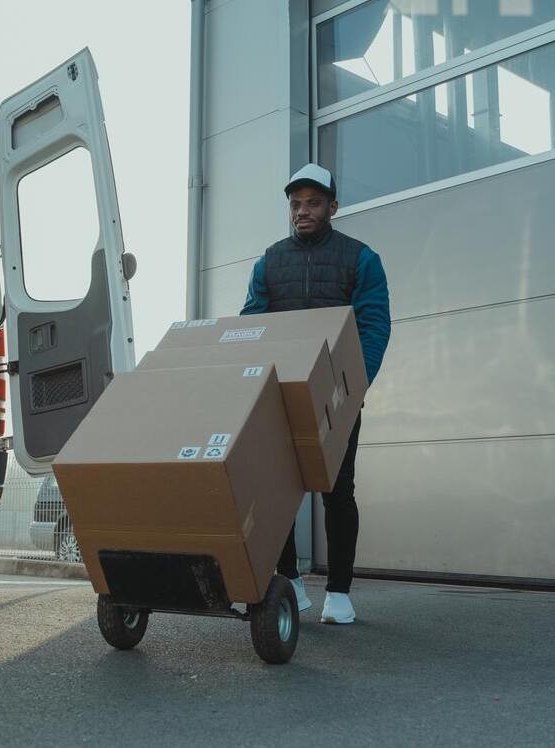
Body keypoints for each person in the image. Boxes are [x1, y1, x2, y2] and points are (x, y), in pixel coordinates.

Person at [241, 164, 390, 625]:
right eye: (296, 204)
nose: (302, 211)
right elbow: (252, 322)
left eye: (313, 203)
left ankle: (340, 593)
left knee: (337, 491)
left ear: (332, 207)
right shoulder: (269, 261)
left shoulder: (360, 258)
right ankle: (291, 581)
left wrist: (354, 386)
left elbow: (374, 325)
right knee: (278, 490)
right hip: (279, 395)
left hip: (337, 398)